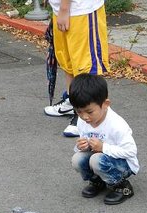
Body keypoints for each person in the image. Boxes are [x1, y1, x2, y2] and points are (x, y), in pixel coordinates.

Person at [44, 0, 109, 138]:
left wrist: (64, 8)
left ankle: (87, 114)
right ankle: (74, 101)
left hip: (81, 9)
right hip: (64, 9)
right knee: (68, 61)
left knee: (85, 65)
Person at [70, 74, 139, 205]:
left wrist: (103, 148)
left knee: (97, 160)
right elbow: (84, 141)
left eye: (89, 112)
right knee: (77, 159)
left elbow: (131, 151)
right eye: (79, 112)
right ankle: (98, 181)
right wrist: (81, 146)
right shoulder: (83, 120)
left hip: (123, 164)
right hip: (99, 157)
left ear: (105, 104)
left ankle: (122, 186)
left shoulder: (116, 124)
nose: (84, 117)